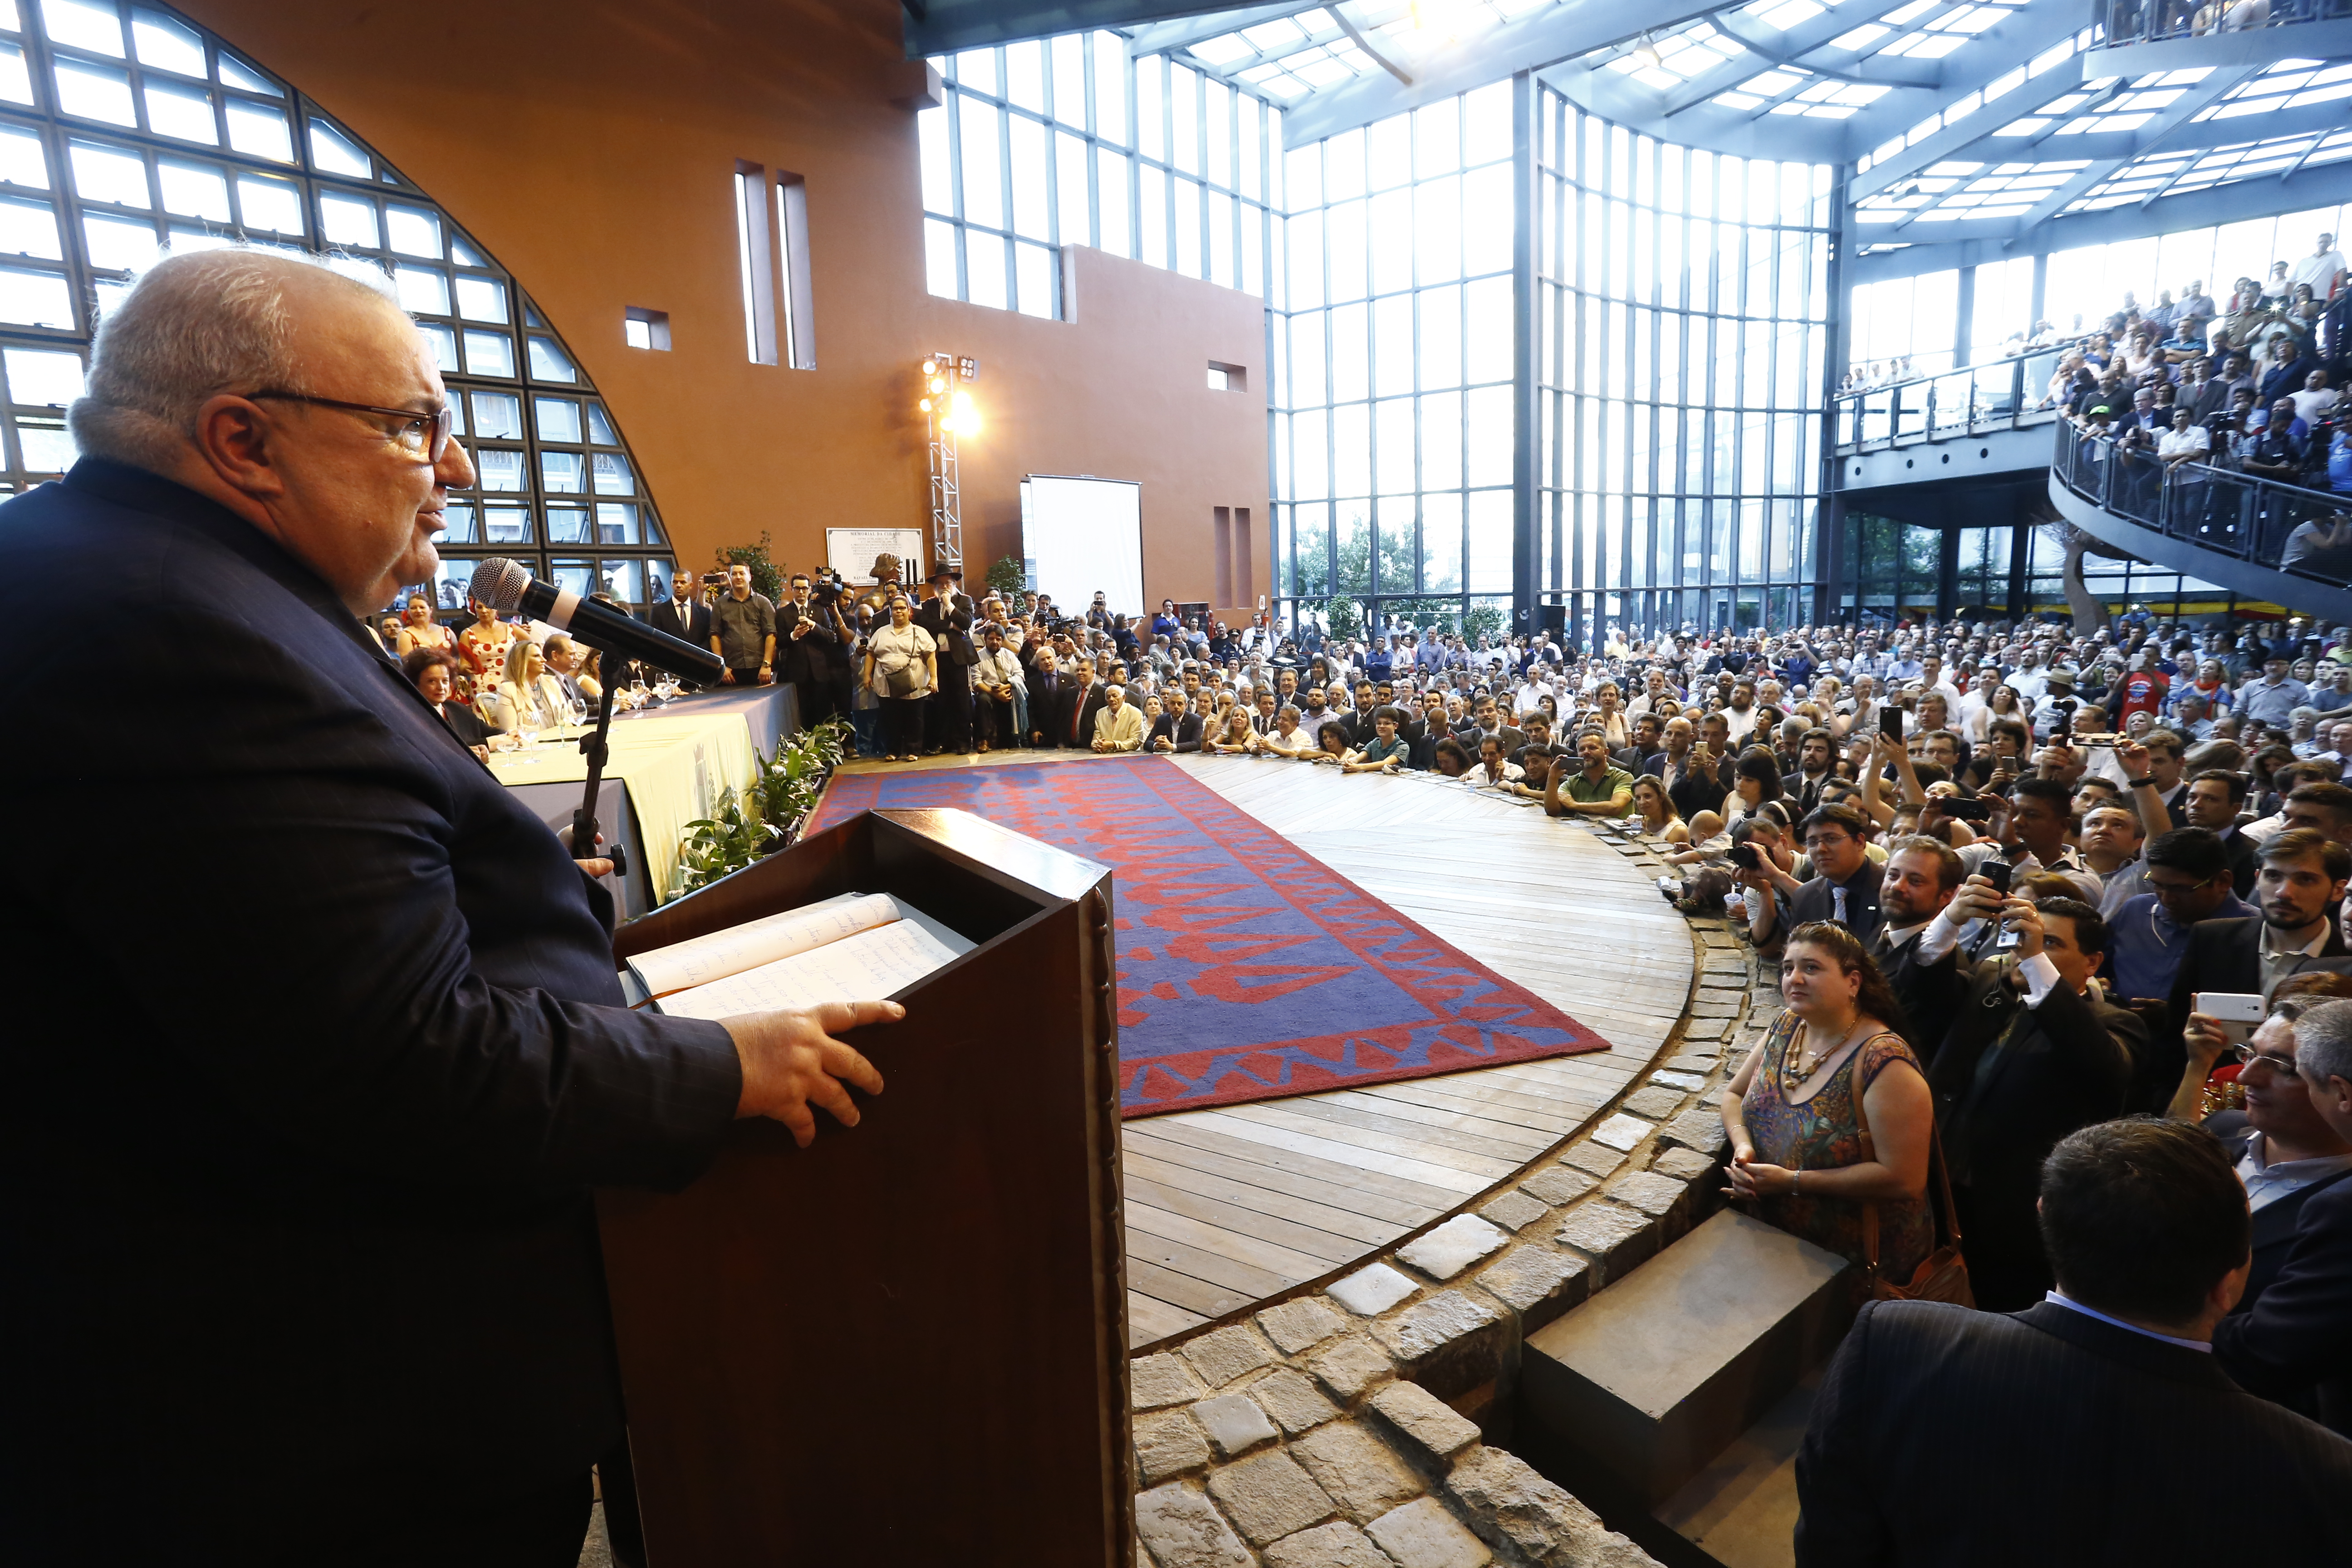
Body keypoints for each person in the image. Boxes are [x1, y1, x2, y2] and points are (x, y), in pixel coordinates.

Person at [0, 248, 907, 1562]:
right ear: (244, 440)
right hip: (321, 1418)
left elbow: (259, 944)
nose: (460, 469)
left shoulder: (106, 566)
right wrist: (717, 1071)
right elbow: (399, 1057)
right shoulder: (179, 632)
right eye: (416, 424)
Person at [1795, 1118, 2352, 1566]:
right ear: (2231, 1283)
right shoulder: (2321, 1475)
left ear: (2046, 1221)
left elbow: (1831, 1540)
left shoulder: (1892, 1347)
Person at [1893, 883, 2142, 1309]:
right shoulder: (1990, 982)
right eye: (2025, 938)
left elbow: (2103, 1065)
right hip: (1936, 1190)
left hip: (2015, 1220)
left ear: (2093, 962)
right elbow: (1918, 986)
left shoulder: (2117, 1024)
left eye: (2050, 943)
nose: (2027, 950)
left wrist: (2034, 963)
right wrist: (1950, 919)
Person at [1719, 921, 1934, 1288]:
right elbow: (1734, 1095)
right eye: (1788, 968)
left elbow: (1905, 1179)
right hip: (1778, 1244)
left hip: (1856, 1263)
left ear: (1853, 982)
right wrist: (1744, 1149)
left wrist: (1793, 1182)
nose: (1795, 979)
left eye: (1811, 968)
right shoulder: (1787, 1026)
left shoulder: (1884, 1062)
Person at [2211, 996, 2352, 1435]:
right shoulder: (2216, 1135)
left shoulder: (2341, 1208)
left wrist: (2129, 1324)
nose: (2248, 1076)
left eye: (2284, 1067)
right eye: (2250, 1054)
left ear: (2340, 1090)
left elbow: (2274, 1353)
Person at [861, 591, 935, 762]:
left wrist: (934, 678)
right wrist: (867, 675)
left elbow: (931, 655)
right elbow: (871, 654)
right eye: (895, 609)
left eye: (903, 608)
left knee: (914, 718)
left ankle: (914, 750)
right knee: (890, 718)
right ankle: (892, 751)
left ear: (910, 611)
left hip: (914, 682)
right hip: (885, 682)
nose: (899, 612)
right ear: (890, 612)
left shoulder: (920, 632)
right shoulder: (881, 632)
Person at [914, 565, 976, 756]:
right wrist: (950, 624)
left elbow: (965, 623)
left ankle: (963, 742)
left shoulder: (964, 600)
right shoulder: (930, 605)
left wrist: (949, 605)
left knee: (961, 701)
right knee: (941, 702)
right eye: (940, 584)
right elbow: (926, 624)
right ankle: (943, 742)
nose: (944, 587)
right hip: (937, 658)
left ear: (954, 583)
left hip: (958, 658)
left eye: (947, 583)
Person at [404, 645, 491, 754]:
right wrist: (487, 743)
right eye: (432, 681)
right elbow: (437, 749)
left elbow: (491, 732)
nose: (441, 687)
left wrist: (510, 735)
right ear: (415, 684)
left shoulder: (457, 708)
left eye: (445, 681)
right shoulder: (409, 716)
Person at [645, 569, 713, 688]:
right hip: (673, 672)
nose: (679, 586)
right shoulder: (659, 612)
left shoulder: (704, 613)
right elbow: (656, 642)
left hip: (699, 673)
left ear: (691, 585)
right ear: (671, 584)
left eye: (683, 582)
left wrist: (696, 656)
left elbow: (708, 639)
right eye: (675, 582)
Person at [970, 623, 1025, 752]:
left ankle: (1014, 739)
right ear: (985, 639)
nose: (995, 642)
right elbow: (976, 682)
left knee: (1017, 697)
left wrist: (1006, 687)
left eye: (999, 639)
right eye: (991, 639)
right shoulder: (978, 656)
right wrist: (995, 694)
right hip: (988, 691)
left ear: (1003, 640)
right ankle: (984, 740)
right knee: (983, 700)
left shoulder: (1009, 655)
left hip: (1007, 689)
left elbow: (1020, 674)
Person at [391, 591, 452, 657]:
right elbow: (407, 663)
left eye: (422, 607)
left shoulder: (446, 631)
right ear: (408, 611)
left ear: (431, 610)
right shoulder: (405, 635)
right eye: (413, 608)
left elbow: (458, 657)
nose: (418, 611)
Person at [1091, 682, 1144, 753]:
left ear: (1124, 698)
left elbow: (1135, 741)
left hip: (1128, 757)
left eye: (1115, 696)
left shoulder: (1135, 713)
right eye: (1108, 697)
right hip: (1104, 756)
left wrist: (1114, 745)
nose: (1112, 699)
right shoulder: (1100, 713)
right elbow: (1096, 739)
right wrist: (1097, 745)